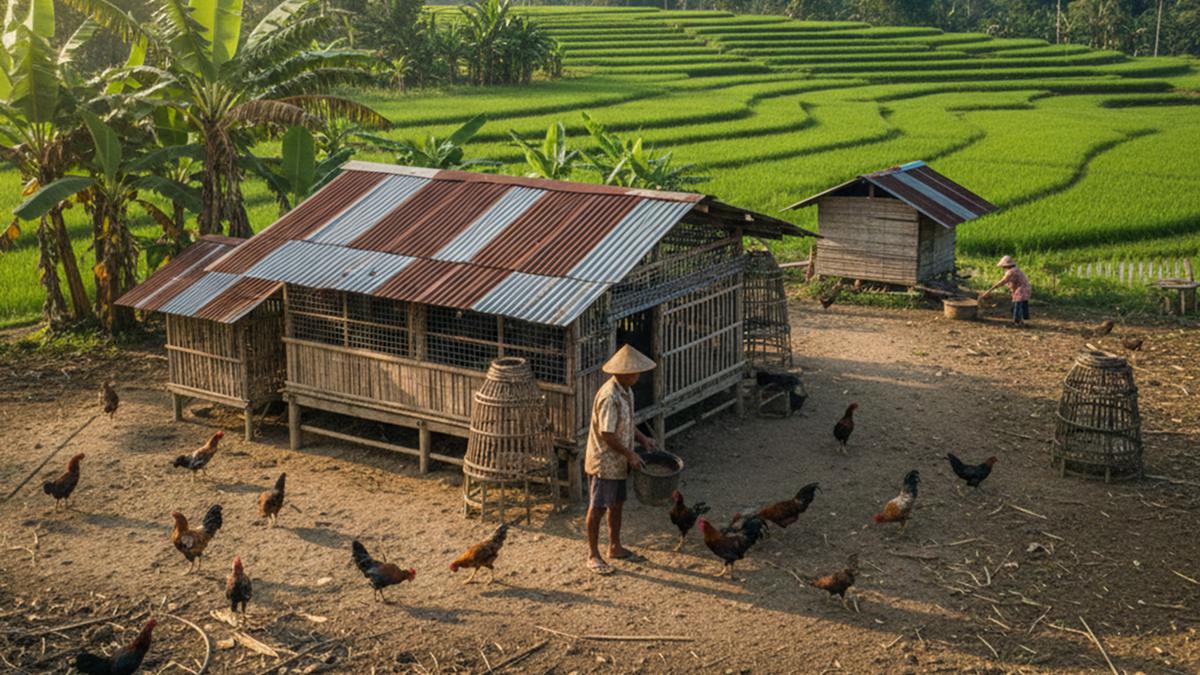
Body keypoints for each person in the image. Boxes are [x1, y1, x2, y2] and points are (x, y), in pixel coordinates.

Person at [584, 344, 658, 575]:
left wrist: (643, 439)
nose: (638, 376)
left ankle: (614, 546)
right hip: (604, 462)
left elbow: (626, 423)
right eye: (635, 372)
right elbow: (607, 434)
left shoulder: (627, 391)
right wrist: (630, 454)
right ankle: (593, 554)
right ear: (624, 373)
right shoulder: (609, 396)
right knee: (597, 508)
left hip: (618, 462)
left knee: (617, 504)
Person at [981, 255, 1032, 326]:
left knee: (1017, 306)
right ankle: (1021, 321)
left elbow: (1002, 282)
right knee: (1021, 306)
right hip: (1024, 289)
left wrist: (990, 290)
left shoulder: (1011, 272)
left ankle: (1017, 322)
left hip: (1021, 290)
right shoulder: (1015, 269)